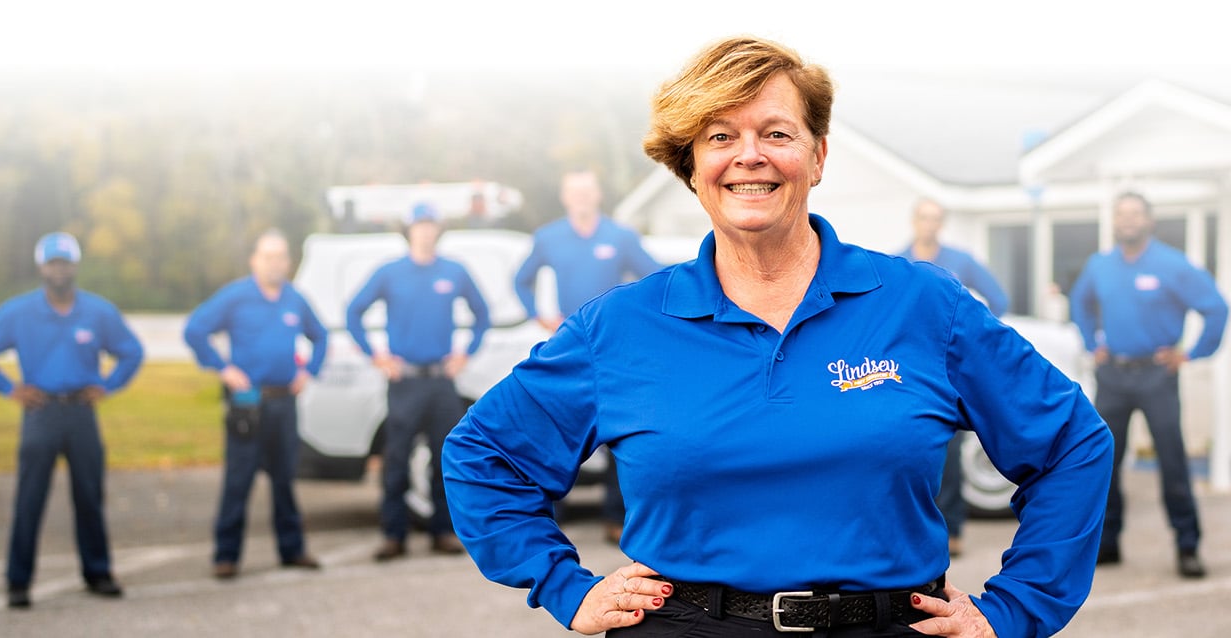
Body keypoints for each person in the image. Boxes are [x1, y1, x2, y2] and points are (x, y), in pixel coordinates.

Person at [444, 36, 1114, 637]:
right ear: (690, 167)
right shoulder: (620, 328)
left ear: (818, 156)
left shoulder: (922, 305)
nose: (750, 157)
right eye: (720, 137)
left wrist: (1014, 610)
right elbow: (481, 457)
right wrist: (566, 588)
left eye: (776, 133)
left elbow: (1072, 444)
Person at [0, 232, 143, 609]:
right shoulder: (20, 311)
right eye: (52, 263)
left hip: (81, 413)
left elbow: (131, 351)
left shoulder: (98, 312)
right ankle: (18, 581)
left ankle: (98, 572)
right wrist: (8, 388)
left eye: (64, 262)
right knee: (30, 500)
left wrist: (108, 384)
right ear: (41, 267)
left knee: (90, 497)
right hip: (40, 413)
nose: (58, 269)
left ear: (74, 266)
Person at [1067, 191, 1228, 579]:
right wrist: (1093, 343)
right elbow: (1079, 303)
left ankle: (1187, 547)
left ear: (1149, 220)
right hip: (1113, 377)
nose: (1127, 220)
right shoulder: (1100, 265)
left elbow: (1217, 308)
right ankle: (1106, 545)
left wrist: (1191, 353)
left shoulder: (1172, 264)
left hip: (1158, 376)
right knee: (1104, 462)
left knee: (1172, 463)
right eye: (1120, 213)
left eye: (1135, 213)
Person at [512, 169, 664, 545]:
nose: (581, 198)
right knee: (557, 431)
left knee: (620, 433)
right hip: (568, 349)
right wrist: (540, 315)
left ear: (597, 195)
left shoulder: (620, 236)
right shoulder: (548, 238)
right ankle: (552, 518)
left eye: (587, 191)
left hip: (614, 350)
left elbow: (656, 275)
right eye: (574, 192)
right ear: (566, 197)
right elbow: (521, 279)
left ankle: (617, 518)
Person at [346, 203, 489, 560]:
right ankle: (394, 536)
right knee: (396, 460)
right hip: (405, 382)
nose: (424, 231)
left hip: (441, 382)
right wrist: (377, 356)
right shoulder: (390, 273)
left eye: (430, 225)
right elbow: (354, 312)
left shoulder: (453, 271)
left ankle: (443, 532)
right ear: (409, 230)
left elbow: (482, 313)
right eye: (418, 225)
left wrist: (465, 352)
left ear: (437, 230)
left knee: (445, 457)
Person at [183, 229, 329, 579]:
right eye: (267, 256)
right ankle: (227, 555)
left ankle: (292, 549)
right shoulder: (236, 296)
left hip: (283, 403)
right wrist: (223, 369)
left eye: (280, 257)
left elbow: (320, 336)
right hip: (247, 404)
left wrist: (308, 370)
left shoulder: (294, 299)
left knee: (284, 480)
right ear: (254, 260)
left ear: (288, 263)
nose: (274, 263)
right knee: (239, 479)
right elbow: (195, 330)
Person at [897, 198, 1010, 557]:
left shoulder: (961, 261)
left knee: (949, 451)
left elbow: (998, 298)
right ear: (914, 220)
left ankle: (953, 529)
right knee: (905, 448)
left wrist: (970, 338)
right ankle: (911, 531)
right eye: (923, 217)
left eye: (935, 219)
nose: (928, 224)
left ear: (941, 223)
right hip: (906, 369)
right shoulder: (896, 261)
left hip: (946, 368)